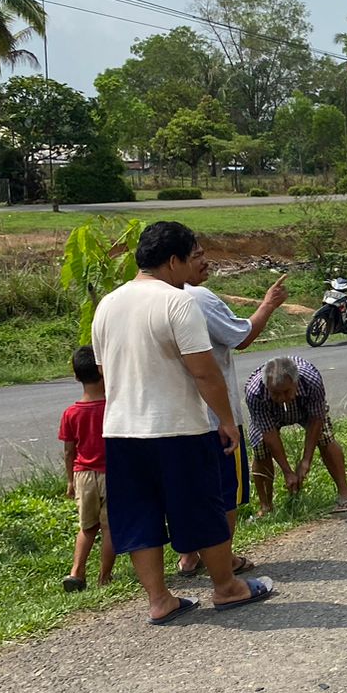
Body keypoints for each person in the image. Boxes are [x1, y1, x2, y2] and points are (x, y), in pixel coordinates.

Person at [91, 221, 275, 624]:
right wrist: (226, 420)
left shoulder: (107, 304)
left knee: (140, 513)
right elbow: (204, 372)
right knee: (200, 505)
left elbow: (105, 373)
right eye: (191, 255)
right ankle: (227, 588)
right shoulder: (178, 302)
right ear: (173, 261)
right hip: (178, 427)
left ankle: (160, 600)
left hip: (121, 429)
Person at [177, 254, 288, 576]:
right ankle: (223, 563)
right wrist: (268, 304)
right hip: (214, 417)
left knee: (188, 491)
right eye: (196, 256)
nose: (206, 262)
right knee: (225, 493)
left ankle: (188, 556)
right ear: (175, 259)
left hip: (174, 420)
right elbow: (242, 336)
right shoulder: (197, 297)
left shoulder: (151, 298)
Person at [243, 355, 347, 517]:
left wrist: (306, 460)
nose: (281, 398)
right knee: (260, 448)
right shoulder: (255, 392)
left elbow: (316, 419)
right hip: (269, 414)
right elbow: (269, 434)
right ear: (267, 387)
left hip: (304, 408)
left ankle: (345, 494)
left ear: (295, 383)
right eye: (275, 393)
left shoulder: (311, 380)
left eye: (286, 392)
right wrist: (287, 471)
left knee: (325, 438)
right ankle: (266, 506)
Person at [58, 345, 114, 592]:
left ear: (76, 376)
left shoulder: (70, 413)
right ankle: (105, 576)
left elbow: (69, 450)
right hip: (111, 474)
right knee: (110, 527)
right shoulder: (113, 407)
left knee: (87, 527)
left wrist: (71, 481)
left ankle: (77, 572)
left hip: (83, 475)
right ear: (105, 370)